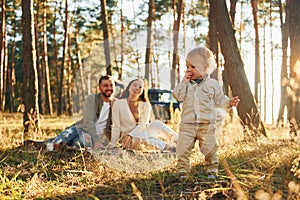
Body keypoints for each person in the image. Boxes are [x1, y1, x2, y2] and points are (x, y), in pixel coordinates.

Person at [173, 46, 240, 179]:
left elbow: (220, 100)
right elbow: (177, 96)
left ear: (206, 67)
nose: (189, 70)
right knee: (183, 149)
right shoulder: (186, 84)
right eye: (187, 66)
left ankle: (211, 171)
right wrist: (184, 82)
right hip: (187, 125)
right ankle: (182, 171)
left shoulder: (213, 84)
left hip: (207, 125)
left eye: (193, 66)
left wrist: (229, 102)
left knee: (210, 150)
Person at [45, 75, 116, 151]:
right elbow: (89, 122)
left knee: (81, 141)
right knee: (68, 134)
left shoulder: (117, 104)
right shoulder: (92, 99)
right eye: (105, 86)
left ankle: (63, 147)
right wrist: (96, 141)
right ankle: (51, 146)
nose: (109, 88)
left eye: (111, 85)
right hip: (83, 128)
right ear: (99, 88)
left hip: (93, 137)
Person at [110, 79, 178, 152]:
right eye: (134, 85)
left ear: (142, 90)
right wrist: (113, 145)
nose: (137, 88)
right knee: (141, 137)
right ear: (129, 87)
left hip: (138, 134)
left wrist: (131, 135)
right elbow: (116, 126)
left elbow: (143, 124)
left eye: (140, 87)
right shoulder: (118, 104)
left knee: (156, 123)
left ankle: (178, 140)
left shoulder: (145, 105)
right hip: (128, 141)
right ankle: (167, 147)